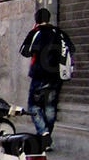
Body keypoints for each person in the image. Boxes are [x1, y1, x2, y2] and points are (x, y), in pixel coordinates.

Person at [19, 8, 73, 147]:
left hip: (39, 75)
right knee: (50, 106)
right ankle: (46, 138)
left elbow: (24, 51)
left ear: (36, 20)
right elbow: (71, 48)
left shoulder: (36, 33)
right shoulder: (59, 32)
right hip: (56, 76)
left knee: (33, 106)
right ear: (49, 18)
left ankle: (43, 133)